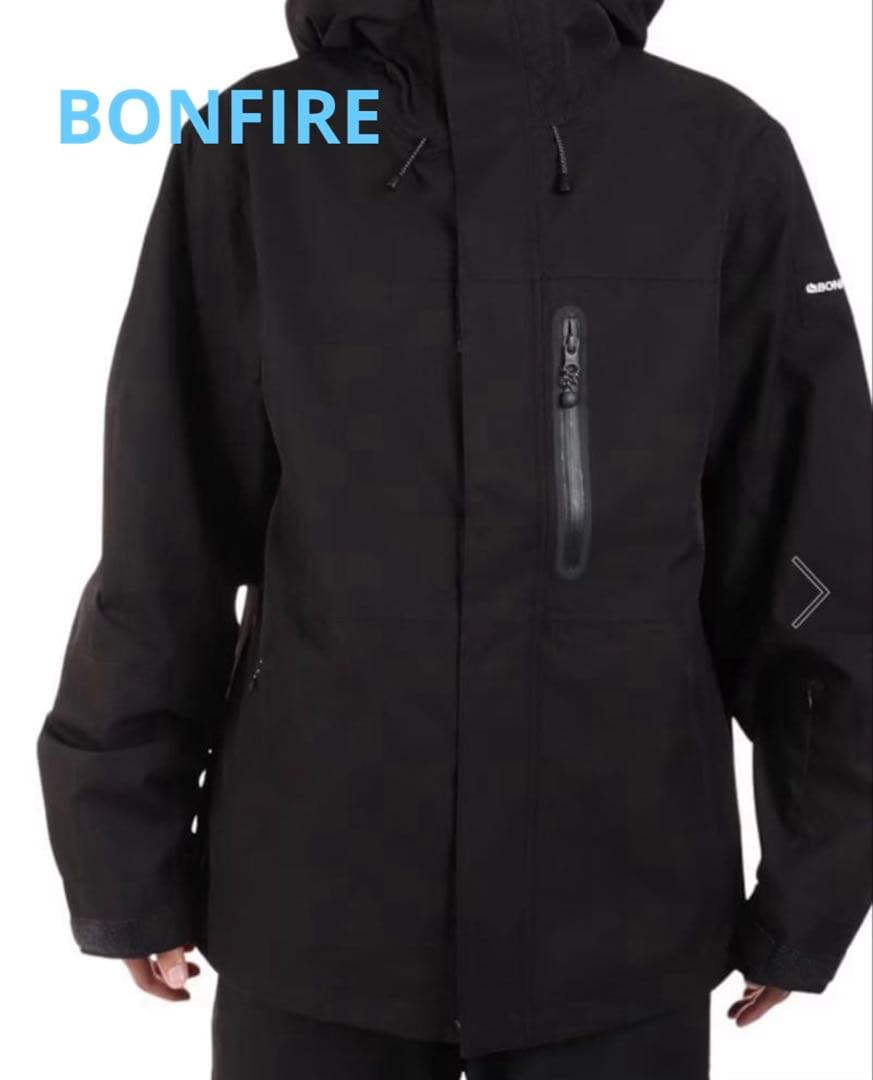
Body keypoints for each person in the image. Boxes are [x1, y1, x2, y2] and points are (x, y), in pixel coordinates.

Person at [37, 1, 872, 1077]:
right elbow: (167, 522)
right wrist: (125, 854)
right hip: (318, 913)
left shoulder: (717, 150)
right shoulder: (259, 142)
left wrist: (818, 874)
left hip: (622, 912)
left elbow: (812, 543)